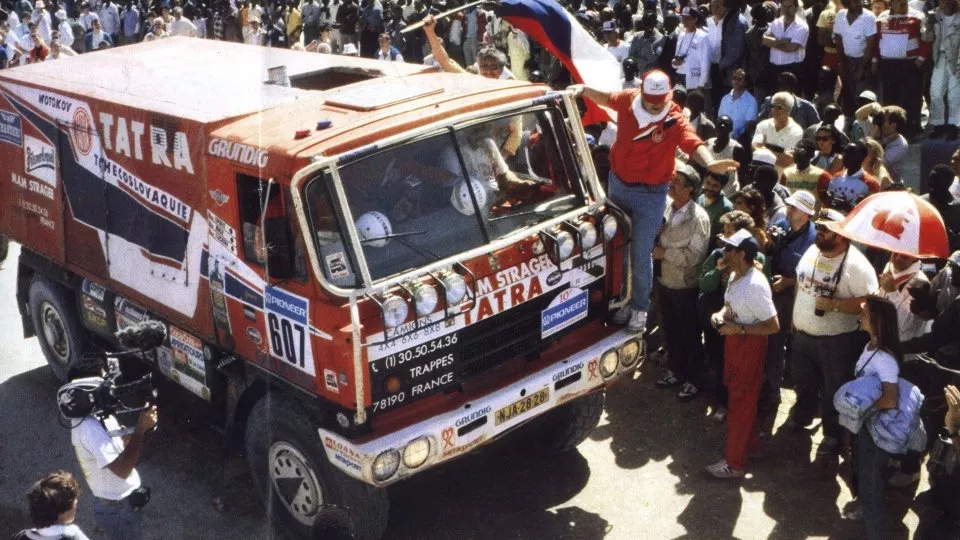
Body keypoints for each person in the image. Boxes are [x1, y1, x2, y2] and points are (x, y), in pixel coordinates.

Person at [569, 70, 738, 335]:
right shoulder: (629, 100)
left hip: (651, 195)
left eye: (661, 101)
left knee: (640, 253)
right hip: (619, 186)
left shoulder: (674, 118)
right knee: (616, 247)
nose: (656, 106)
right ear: (643, 95)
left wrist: (711, 163)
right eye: (651, 102)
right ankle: (622, 300)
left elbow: (693, 143)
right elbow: (606, 98)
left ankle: (639, 309)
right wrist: (583, 89)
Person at [787, 209, 879, 459]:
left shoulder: (858, 266)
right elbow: (799, 282)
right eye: (818, 228)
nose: (820, 233)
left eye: (826, 229)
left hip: (836, 342)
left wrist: (837, 305)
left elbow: (871, 302)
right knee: (803, 382)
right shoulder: (812, 251)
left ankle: (832, 436)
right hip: (803, 335)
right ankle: (802, 418)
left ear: (842, 235)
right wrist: (795, 319)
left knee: (833, 390)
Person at [707, 228, 780, 478]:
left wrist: (739, 328)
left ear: (741, 254)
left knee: (740, 403)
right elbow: (730, 307)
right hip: (735, 343)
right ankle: (750, 447)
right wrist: (720, 315)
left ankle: (735, 464)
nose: (724, 251)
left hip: (749, 346)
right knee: (739, 398)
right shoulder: (735, 275)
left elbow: (773, 326)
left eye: (729, 248)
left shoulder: (756, 285)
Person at [759, 189, 817, 433]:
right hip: (772, 289)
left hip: (793, 297)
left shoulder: (813, 239)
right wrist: (769, 243)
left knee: (776, 344)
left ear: (805, 214)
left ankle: (773, 392)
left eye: (794, 208)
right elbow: (770, 250)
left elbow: (811, 276)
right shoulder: (782, 223)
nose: (788, 210)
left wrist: (790, 281)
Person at [846, 295, 903, 538]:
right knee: (862, 475)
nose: (860, 318)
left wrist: (863, 410)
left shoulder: (886, 359)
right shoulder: (869, 346)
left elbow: (890, 399)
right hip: (863, 426)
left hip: (875, 431)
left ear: (877, 321)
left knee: (871, 489)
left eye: (865, 314)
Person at [654, 163, 712, 401]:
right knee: (671, 331)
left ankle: (695, 380)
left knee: (690, 335)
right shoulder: (666, 207)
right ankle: (675, 371)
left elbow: (693, 257)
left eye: (677, 181)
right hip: (664, 282)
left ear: (690, 189)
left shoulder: (699, 218)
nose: (672, 183)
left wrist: (664, 254)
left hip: (685, 287)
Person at [72, 404, 157, 540]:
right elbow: (122, 470)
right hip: (118, 510)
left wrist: (128, 442)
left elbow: (117, 456)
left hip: (120, 504)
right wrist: (140, 430)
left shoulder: (100, 416)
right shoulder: (89, 429)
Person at [877, 0, 927, 137]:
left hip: (909, 64)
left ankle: (912, 129)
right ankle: (891, 130)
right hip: (888, 64)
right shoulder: (882, 17)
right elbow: (877, 39)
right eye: (898, 2)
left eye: (904, 1)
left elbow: (925, 40)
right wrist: (875, 60)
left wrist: (920, 59)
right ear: (891, 4)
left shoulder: (918, 16)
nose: (902, 4)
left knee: (911, 98)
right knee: (889, 98)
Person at [12, 471, 90, 540]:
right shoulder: (74, 536)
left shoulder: (20, 536)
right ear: (61, 514)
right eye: (74, 501)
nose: (76, 502)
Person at [833, 0, 878, 118]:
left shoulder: (869, 17)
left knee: (861, 95)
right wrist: (842, 62)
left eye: (860, 2)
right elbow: (838, 38)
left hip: (863, 61)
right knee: (847, 92)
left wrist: (862, 68)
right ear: (847, 3)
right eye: (855, 2)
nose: (859, 4)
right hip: (846, 60)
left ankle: (862, 123)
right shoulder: (840, 15)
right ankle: (848, 123)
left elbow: (870, 46)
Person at [922, 0, 960, 141]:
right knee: (936, 92)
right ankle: (938, 124)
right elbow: (926, 38)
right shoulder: (935, 15)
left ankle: (953, 126)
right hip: (940, 57)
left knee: (954, 94)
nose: (944, 4)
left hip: (956, 57)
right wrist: (929, 25)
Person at [818, 140, 880, 211]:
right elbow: (828, 204)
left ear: (862, 157)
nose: (845, 156)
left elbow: (870, 211)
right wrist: (826, 199)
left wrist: (846, 206)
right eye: (845, 152)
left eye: (851, 153)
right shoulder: (836, 177)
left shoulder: (871, 183)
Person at [752, 92, 804, 173]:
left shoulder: (797, 131)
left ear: (788, 110)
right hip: (761, 176)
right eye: (772, 106)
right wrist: (780, 154)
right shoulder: (762, 125)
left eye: (779, 107)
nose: (774, 110)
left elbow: (787, 161)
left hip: (782, 178)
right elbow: (755, 149)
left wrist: (764, 149)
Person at [763, 0, 809, 82]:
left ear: (796, 8)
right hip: (774, 68)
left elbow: (791, 48)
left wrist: (773, 41)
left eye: (790, 6)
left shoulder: (802, 27)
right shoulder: (775, 23)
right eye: (784, 6)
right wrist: (783, 41)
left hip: (792, 68)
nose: (786, 9)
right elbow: (764, 41)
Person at [673, 6, 712, 93]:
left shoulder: (703, 37)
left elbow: (705, 63)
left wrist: (701, 84)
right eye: (683, 18)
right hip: (680, 77)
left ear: (695, 20)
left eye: (688, 18)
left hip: (694, 80)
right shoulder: (681, 35)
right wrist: (674, 63)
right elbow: (676, 56)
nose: (684, 21)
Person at [921, 165, 960, 252]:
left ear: (948, 183)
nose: (931, 183)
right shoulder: (921, 203)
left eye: (936, 180)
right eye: (930, 179)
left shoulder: (957, 208)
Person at [705, 115, 745, 197]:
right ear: (715, 126)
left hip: (728, 193)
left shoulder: (737, 148)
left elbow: (742, 173)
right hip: (708, 189)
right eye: (720, 123)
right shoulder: (708, 143)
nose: (722, 126)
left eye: (726, 124)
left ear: (731, 128)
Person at [717, 68, 758, 142]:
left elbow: (749, 126)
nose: (736, 81)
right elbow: (720, 120)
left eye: (740, 79)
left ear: (746, 82)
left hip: (740, 141)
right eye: (734, 78)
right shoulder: (725, 99)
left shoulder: (751, 101)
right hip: (723, 139)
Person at [698, 170, 734, 243]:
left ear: (722, 187)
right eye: (708, 183)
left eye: (715, 186)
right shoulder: (700, 198)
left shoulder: (727, 208)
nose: (710, 188)